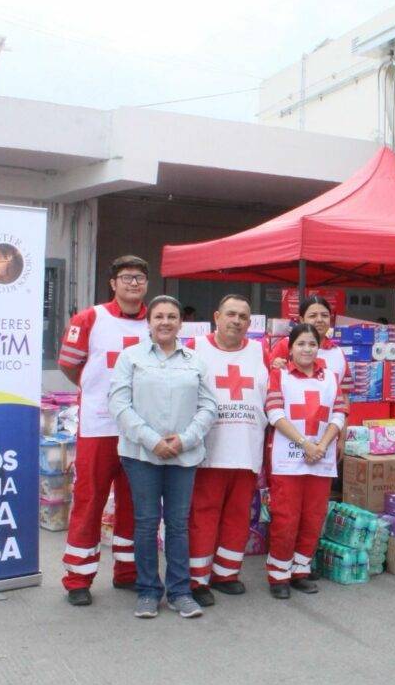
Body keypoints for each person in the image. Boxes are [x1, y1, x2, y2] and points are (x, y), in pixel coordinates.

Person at [109, 296, 217, 619]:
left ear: (180, 323)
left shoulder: (195, 360)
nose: (165, 322)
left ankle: (180, 591)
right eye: (159, 316)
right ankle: (147, 591)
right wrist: (152, 440)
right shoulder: (131, 357)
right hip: (142, 454)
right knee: (144, 524)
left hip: (183, 456)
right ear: (149, 321)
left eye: (172, 316)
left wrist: (185, 440)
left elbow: (209, 406)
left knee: (178, 524)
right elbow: (118, 404)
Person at [56, 254, 151, 606]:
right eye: (126, 277)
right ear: (113, 283)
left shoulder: (154, 323)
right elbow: (68, 364)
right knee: (90, 499)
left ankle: (127, 572)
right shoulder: (91, 317)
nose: (133, 283)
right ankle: (77, 579)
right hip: (99, 426)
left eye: (140, 278)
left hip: (139, 429)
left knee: (134, 502)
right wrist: (95, 389)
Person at [187, 295, 268, 607]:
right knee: (203, 515)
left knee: (238, 515)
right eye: (231, 314)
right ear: (217, 316)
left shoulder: (260, 350)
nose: (237, 321)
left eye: (243, 317)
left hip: (247, 449)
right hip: (210, 450)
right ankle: (197, 578)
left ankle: (227, 574)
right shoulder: (196, 348)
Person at [264, 323, 347, 599]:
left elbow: (339, 414)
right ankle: (278, 575)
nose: (307, 349)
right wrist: (306, 444)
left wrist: (322, 446)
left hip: (320, 460)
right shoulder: (280, 374)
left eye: (312, 344)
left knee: (313, 517)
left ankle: (300, 570)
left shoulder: (331, 377)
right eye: (301, 343)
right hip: (288, 460)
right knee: (286, 518)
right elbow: (274, 413)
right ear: (290, 348)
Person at [267, 295, 352, 397]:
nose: (319, 320)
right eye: (313, 316)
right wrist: (274, 365)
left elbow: (344, 395)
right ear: (301, 320)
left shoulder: (338, 352)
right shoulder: (286, 345)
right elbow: (267, 380)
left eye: (324, 315)